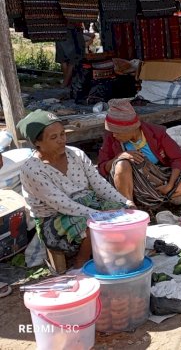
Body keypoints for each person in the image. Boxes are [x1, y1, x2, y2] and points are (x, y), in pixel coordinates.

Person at [18, 110, 133, 268]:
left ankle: (113, 254)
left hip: (87, 205)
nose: (61, 140)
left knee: (125, 211)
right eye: (53, 137)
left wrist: (125, 201)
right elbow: (62, 204)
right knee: (90, 226)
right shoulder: (32, 169)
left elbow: (98, 183)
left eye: (62, 134)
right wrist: (100, 216)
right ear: (38, 143)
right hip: (54, 218)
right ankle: (81, 263)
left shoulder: (76, 154)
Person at [98, 99, 181, 211]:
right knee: (122, 164)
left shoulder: (156, 133)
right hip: (128, 183)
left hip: (155, 178)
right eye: (112, 131)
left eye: (117, 132)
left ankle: (149, 200)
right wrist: (119, 157)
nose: (114, 135)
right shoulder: (111, 137)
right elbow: (102, 167)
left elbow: (178, 159)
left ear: (130, 129)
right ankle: (129, 206)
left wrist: (170, 185)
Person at [55, 23, 85, 87]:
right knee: (74, 58)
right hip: (72, 29)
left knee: (63, 59)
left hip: (59, 29)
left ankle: (67, 82)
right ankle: (66, 82)